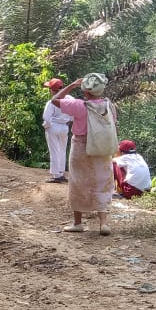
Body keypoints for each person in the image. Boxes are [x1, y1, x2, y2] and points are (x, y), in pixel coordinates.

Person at [51, 73, 116, 236]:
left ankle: (78, 223)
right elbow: (113, 125)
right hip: (102, 148)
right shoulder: (109, 105)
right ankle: (104, 223)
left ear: (85, 90)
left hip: (81, 146)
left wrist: (72, 84)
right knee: (103, 182)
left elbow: (54, 100)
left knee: (78, 182)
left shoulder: (79, 105)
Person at [42, 78, 73, 183]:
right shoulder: (69, 98)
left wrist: (47, 126)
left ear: (52, 90)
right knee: (62, 150)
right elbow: (74, 113)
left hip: (53, 126)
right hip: (64, 126)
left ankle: (56, 175)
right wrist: (69, 120)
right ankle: (61, 172)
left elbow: (46, 118)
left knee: (54, 150)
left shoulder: (51, 102)